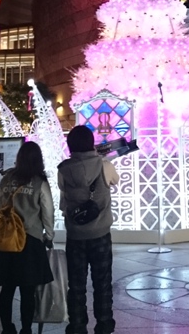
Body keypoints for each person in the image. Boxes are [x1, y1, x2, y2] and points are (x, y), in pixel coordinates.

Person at [58, 125, 120, 334]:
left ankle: (77, 325)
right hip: (100, 234)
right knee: (102, 282)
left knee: (76, 284)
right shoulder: (104, 166)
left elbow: (63, 200)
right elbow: (115, 180)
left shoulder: (63, 170)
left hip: (75, 235)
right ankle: (103, 324)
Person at [0, 142, 54, 334]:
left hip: (7, 241)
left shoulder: (7, 178)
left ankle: (7, 329)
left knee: (7, 289)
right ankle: (26, 329)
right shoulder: (39, 182)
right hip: (31, 240)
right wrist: (49, 235)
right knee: (28, 290)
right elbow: (47, 211)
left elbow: (0, 205)